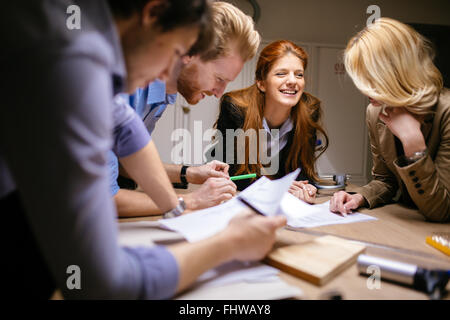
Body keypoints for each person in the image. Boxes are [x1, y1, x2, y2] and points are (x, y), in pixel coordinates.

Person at [0, 0, 285, 299]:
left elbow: (124, 127)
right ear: (155, 12)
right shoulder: (72, 63)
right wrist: (229, 243)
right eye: (177, 53)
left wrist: (175, 208)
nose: (167, 75)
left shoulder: (84, 39)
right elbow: (105, 283)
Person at [110, 2, 262, 217]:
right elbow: (102, 198)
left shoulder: (163, 95)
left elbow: (126, 159)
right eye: (219, 79)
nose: (220, 93)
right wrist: (191, 201)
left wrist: (189, 173)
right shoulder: (119, 82)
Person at [330, 18, 449, 222]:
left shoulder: (446, 111)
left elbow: (442, 209)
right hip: (405, 225)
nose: (363, 88)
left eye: (370, 77)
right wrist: (360, 196)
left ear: (399, 71)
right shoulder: (374, 112)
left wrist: (413, 144)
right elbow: (386, 180)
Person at [212, 40, 329, 204]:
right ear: (261, 83)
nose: (292, 81)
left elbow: (303, 171)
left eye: (299, 74)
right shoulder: (235, 107)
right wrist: (275, 187)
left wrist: (305, 188)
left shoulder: (310, 110)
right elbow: (231, 173)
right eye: (281, 73)